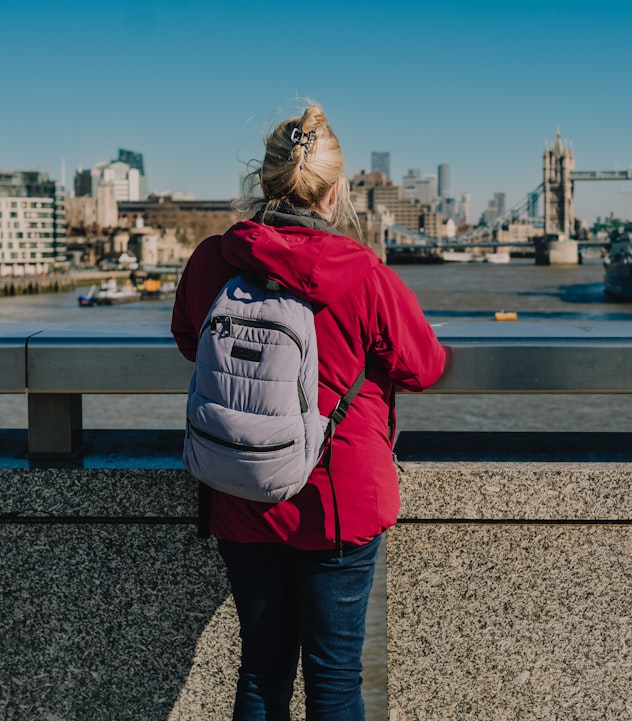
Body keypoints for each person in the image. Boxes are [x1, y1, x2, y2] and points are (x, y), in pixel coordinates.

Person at [172, 101, 447, 721]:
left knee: (261, 670)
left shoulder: (212, 260)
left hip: (242, 483)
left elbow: (191, 340)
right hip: (337, 500)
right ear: (336, 190)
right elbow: (423, 366)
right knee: (335, 681)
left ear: (263, 178)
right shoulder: (364, 273)